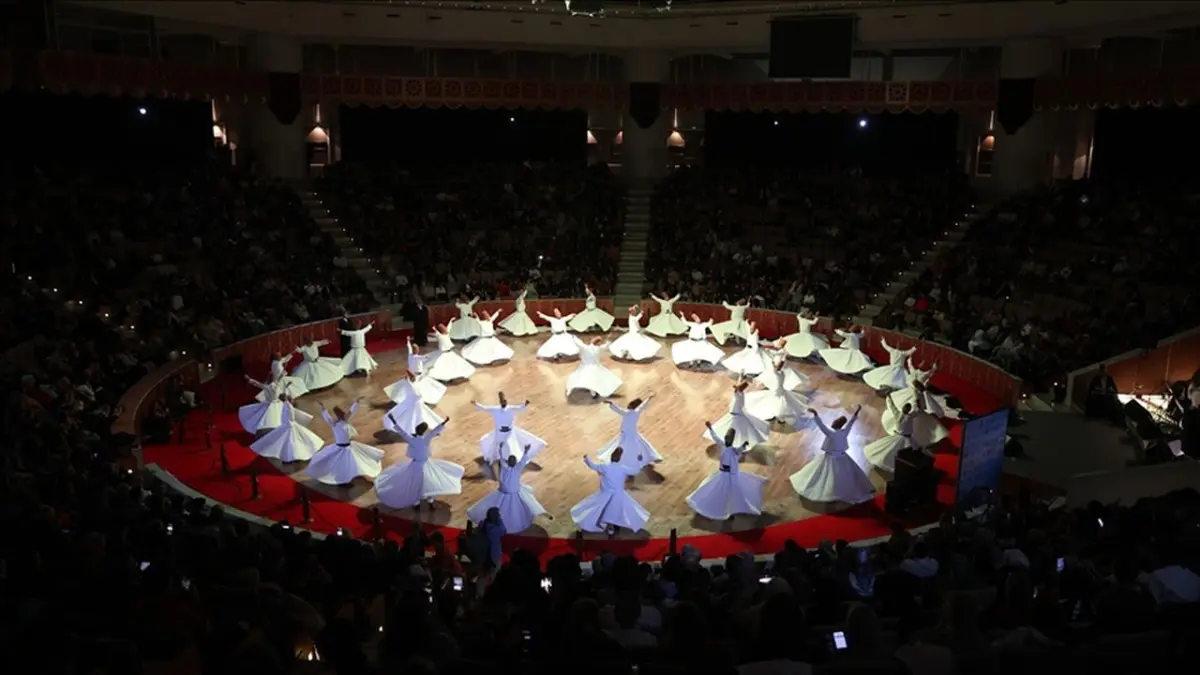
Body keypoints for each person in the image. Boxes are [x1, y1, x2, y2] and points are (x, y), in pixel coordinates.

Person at [789, 406, 876, 504]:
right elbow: (851, 423)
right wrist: (856, 413)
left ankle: (830, 493)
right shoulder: (844, 432)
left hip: (830, 458)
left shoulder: (831, 434)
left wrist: (816, 414)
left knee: (823, 475)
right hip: (842, 457)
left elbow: (821, 426)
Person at [375, 418, 464, 509]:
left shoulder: (412, 439)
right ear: (424, 431)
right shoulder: (426, 439)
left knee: (414, 483)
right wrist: (444, 422)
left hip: (415, 465)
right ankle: (430, 502)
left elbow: (402, 432)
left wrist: (394, 421)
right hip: (426, 464)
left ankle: (416, 503)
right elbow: (434, 431)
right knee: (427, 482)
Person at [687, 422, 768, 520]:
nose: (726, 439)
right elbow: (715, 437)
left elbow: (739, 450)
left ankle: (731, 509)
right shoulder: (723, 445)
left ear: (732, 440)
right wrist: (710, 428)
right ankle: (723, 508)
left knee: (731, 493)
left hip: (731, 476)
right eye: (726, 437)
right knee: (717, 490)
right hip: (723, 474)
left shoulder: (734, 450)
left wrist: (743, 445)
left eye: (728, 438)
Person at [466, 443, 548, 534]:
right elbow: (523, 461)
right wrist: (526, 451)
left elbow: (502, 459)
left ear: (508, 462)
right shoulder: (517, 468)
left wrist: (500, 449)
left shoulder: (505, 467)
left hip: (504, 492)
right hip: (512, 492)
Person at [571, 448, 650, 535]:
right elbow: (635, 471)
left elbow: (593, 465)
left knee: (600, 509)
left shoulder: (605, 467)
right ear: (619, 458)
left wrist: (586, 459)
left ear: (611, 458)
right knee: (616, 510)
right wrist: (639, 461)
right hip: (618, 495)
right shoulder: (622, 468)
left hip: (605, 494)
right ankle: (612, 525)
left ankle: (609, 525)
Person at [307, 399, 385, 485]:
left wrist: (356, 402)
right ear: (340, 416)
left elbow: (351, 412)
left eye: (344, 415)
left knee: (354, 462)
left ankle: (355, 473)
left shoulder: (345, 421)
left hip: (349, 447)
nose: (345, 416)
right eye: (343, 415)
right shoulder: (334, 424)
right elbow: (327, 417)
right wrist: (323, 409)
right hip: (340, 447)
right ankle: (343, 479)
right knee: (344, 464)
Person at [473, 392, 547, 464]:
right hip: (499, 433)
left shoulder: (510, 409)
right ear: (500, 402)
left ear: (506, 401)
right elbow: (484, 408)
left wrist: (525, 404)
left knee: (510, 447)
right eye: (502, 401)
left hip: (509, 433)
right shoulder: (496, 409)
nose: (503, 402)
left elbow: (520, 408)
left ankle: (510, 460)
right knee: (497, 446)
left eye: (504, 401)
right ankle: (495, 459)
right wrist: (476, 404)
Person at [250, 394, 324, 463]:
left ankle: (293, 457)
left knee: (291, 443)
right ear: (289, 400)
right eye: (292, 399)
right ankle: (296, 456)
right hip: (290, 426)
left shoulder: (284, 405)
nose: (293, 400)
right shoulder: (288, 406)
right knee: (295, 442)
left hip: (287, 425)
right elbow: (290, 416)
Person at [597, 396, 663, 470]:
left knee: (624, 448)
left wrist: (610, 403)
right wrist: (648, 398)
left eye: (630, 405)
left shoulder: (626, 412)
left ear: (631, 406)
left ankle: (624, 462)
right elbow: (643, 405)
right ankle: (647, 458)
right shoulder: (637, 412)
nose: (628, 405)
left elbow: (617, 409)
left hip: (625, 434)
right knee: (642, 446)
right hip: (633, 433)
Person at [706, 379, 771, 448]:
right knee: (737, 430)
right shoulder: (740, 394)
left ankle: (737, 443)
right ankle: (739, 443)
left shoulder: (739, 394)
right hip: (737, 415)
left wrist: (738, 383)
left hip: (737, 416)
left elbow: (736, 390)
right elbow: (737, 389)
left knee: (735, 430)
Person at [883, 380, 948, 448]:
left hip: (918, 415)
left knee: (922, 431)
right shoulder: (914, 410)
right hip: (920, 413)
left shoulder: (901, 414)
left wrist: (889, 397)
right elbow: (917, 405)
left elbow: (893, 407)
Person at [864, 397, 922, 472]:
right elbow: (892, 406)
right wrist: (888, 397)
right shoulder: (903, 415)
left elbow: (918, 411)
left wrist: (889, 398)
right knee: (893, 450)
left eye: (907, 408)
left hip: (906, 438)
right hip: (902, 438)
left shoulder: (904, 415)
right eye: (906, 408)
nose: (905, 409)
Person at [745, 358, 811, 425]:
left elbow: (774, 370)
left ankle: (776, 416)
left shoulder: (777, 374)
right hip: (779, 390)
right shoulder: (782, 373)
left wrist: (773, 364)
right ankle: (780, 418)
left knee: (775, 404)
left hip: (777, 391)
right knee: (781, 404)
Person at [383, 336, 445, 405]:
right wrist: (431, 356)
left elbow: (409, 347)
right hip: (417, 375)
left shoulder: (410, 355)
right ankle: (423, 398)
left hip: (412, 374)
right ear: (417, 350)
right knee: (421, 387)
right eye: (417, 349)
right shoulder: (417, 357)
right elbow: (425, 358)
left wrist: (408, 341)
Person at [382, 371, 445, 437]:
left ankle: (434, 427)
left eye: (413, 377)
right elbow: (413, 393)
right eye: (412, 377)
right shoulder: (408, 385)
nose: (414, 378)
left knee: (421, 416)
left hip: (417, 403)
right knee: (412, 418)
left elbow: (420, 380)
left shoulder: (415, 383)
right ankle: (412, 431)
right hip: (412, 404)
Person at [239, 376, 308, 434]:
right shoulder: (273, 385)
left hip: (273, 404)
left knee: (272, 417)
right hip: (274, 404)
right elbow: (258, 383)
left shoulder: (268, 386)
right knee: (277, 417)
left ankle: (274, 429)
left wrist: (249, 379)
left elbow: (257, 384)